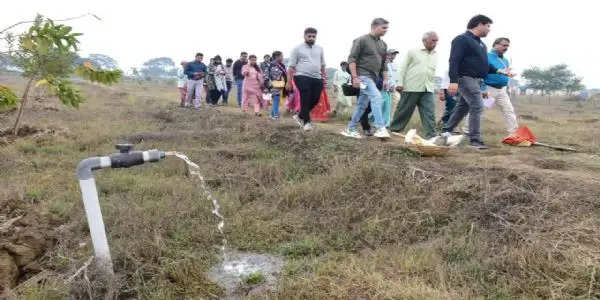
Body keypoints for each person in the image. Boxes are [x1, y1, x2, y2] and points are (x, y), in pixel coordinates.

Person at [441, 14, 511, 149]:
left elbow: (484, 64)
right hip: (465, 78)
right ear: (479, 24)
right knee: (478, 106)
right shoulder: (462, 39)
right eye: (488, 26)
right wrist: (454, 81)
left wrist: (499, 71)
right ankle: (475, 140)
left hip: (477, 80)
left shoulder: (481, 44)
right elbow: (454, 60)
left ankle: (446, 130)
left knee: (463, 107)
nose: (489, 29)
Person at [340, 18, 391, 139]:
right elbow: (351, 59)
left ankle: (350, 128)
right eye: (383, 28)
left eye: (387, 28)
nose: (386, 30)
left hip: (373, 78)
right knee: (377, 97)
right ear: (374, 26)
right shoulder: (361, 40)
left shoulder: (383, 44)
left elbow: (383, 64)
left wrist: (385, 79)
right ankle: (380, 127)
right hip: (362, 75)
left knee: (362, 105)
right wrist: (355, 77)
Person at [389, 32, 439, 139]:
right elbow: (403, 68)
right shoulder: (413, 52)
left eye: (436, 41)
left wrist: (432, 86)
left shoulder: (435, 54)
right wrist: (400, 83)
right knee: (404, 110)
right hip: (411, 86)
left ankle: (431, 136)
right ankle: (394, 130)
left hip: (427, 88)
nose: (435, 43)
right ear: (425, 40)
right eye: (433, 40)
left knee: (429, 112)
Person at [287, 27, 326, 131]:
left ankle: (300, 115)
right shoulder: (297, 49)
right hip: (301, 76)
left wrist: (324, 78)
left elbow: (322, 65)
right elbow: (291, 67)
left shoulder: (320, 49)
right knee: (306, 97)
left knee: (315, 99)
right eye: (309, 36)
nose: (311, 38)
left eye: (313, 36)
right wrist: (288, 82)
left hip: (317, 77)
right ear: (304, 36)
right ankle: (306, 122)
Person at [482, 37, 518, 133]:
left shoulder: (505, 60)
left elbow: (505, 73)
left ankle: (513, 133)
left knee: (509, 110)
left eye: (507, 46)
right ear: (495, 45)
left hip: (502, 90)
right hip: (489, 90)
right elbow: (481, 73)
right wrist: (483, 89)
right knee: (480, 110)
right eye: (504, 45)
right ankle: (468, 131)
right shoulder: (486, 56)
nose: (506, 47)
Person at [266, 51, 287, 120]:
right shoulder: (271, 65)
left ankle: (272, 115)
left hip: (280, 85)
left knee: (276, 100)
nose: (282, 57)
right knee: (276, 99)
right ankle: (276, 116)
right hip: (273, 85)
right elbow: (266, 75)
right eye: (281, 56)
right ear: (277, 57)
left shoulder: (282, 65)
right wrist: (268, 84)